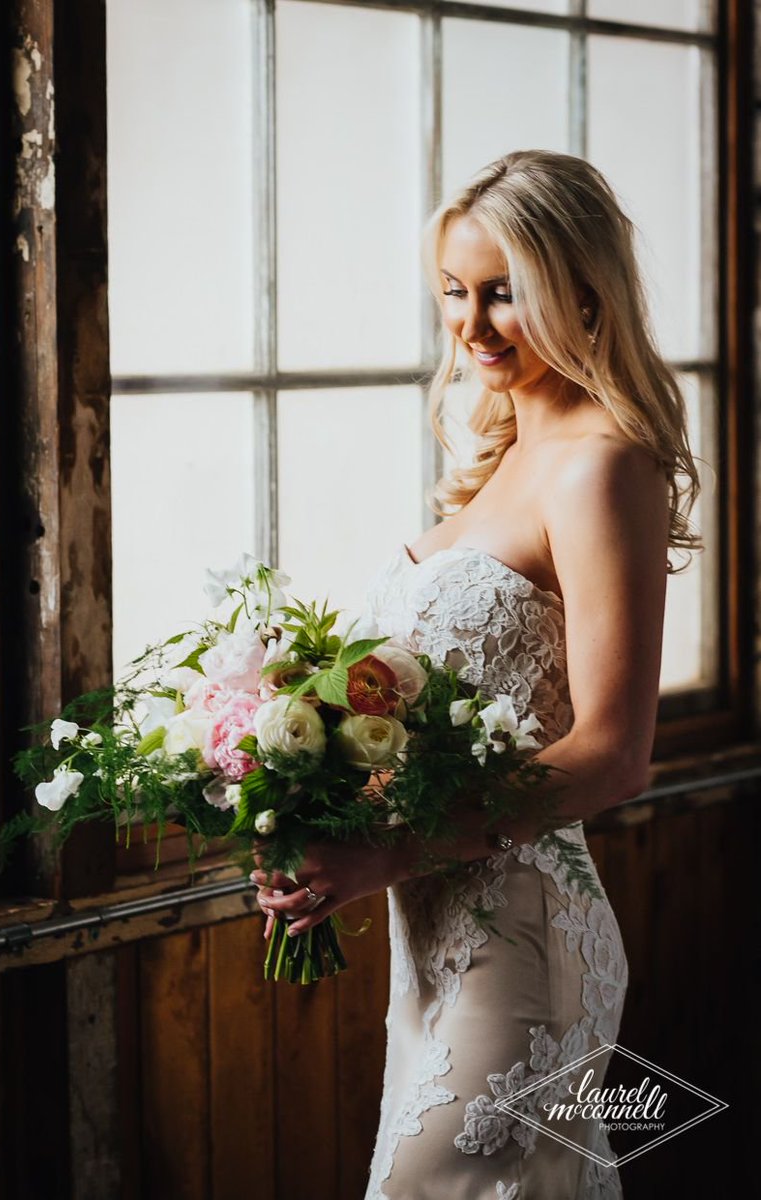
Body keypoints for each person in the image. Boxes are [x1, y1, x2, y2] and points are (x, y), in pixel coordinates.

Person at [249, 149, 702, 1199]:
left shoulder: (602, 463)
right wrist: (308, 784)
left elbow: (615, 753)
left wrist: (387, 850)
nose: (472, 322)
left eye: (505, 291)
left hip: (525, 936)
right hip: (436, 936)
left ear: (583, 290)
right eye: (455, 290)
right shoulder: (504, 457)